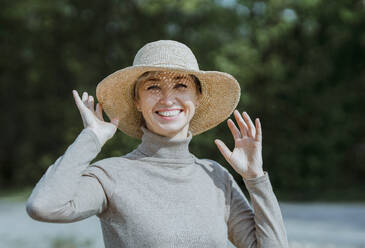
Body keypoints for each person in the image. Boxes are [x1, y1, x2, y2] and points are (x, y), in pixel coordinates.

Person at [26, 40, 289, 247]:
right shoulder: (111, 175)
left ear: (197, 99)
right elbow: (44, 206)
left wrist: (255, 178)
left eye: (180, 86)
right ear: (137, 102)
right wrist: (90, 138)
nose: (167, 98)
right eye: (153, 87)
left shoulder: (217, 178)